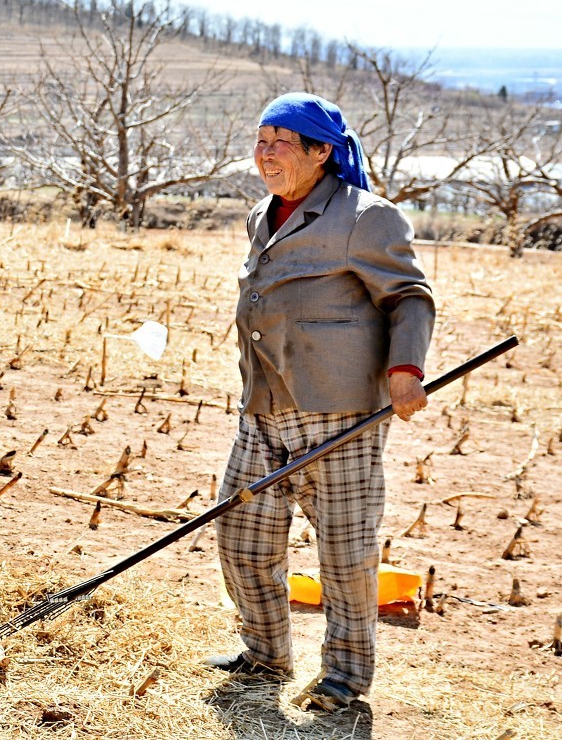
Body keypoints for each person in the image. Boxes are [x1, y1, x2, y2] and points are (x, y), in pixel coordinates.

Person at [207, 92, 435, 713]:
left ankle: (344, 676)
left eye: (283, 141)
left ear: (321, 152)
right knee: (242, 534)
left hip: (339, 410)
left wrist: (405, 370)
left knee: (343, 549)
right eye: (261, 139)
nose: (267, 152)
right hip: (264, 402)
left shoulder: (367, 217)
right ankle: (265, 653)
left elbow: (409, 297)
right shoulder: (264, 213)